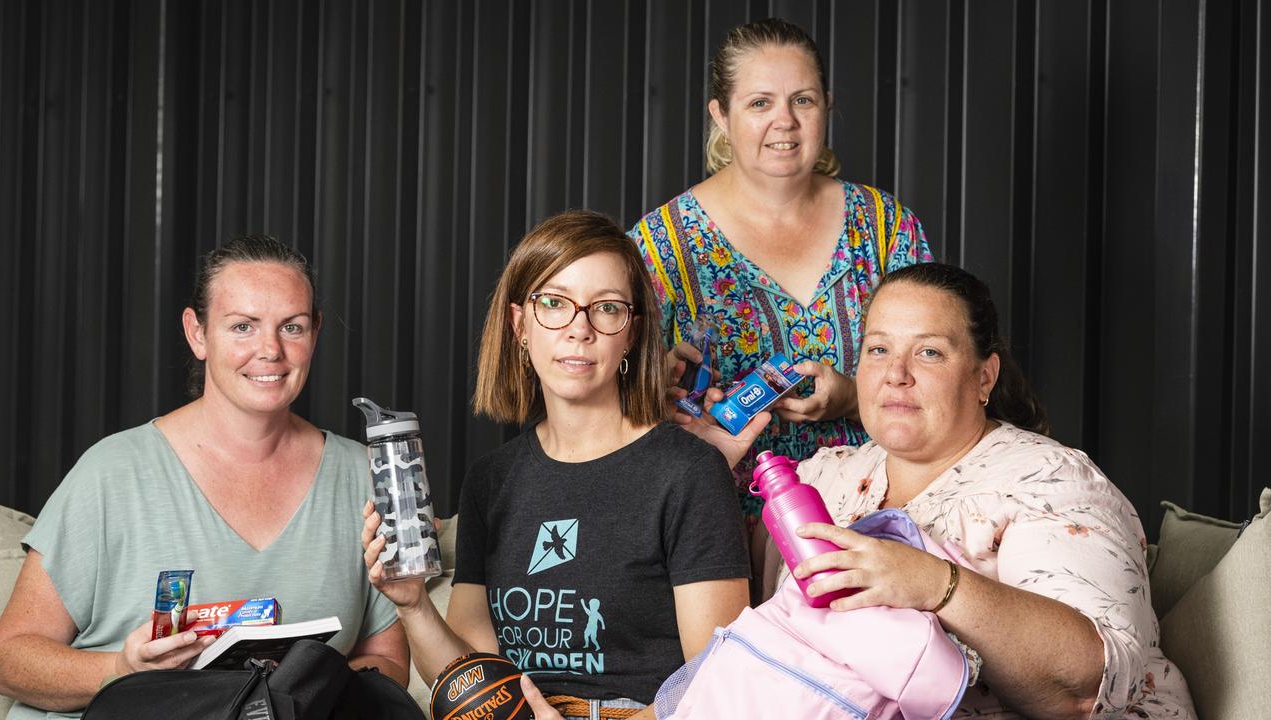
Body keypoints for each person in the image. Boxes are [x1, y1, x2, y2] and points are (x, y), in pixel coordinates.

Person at [719, 262, 1193, 718]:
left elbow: (1084, 693)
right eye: (878, 350)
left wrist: (936, 586)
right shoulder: (824, 478)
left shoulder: (1047, 479)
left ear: (984, 376)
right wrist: (706, 461)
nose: (896, 373)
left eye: (929, 352)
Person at [0, 237, 409, 718]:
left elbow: (387, 660)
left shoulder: (362, 473)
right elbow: (9, 660)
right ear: (197, 333)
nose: (270, 350)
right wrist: (123, 670)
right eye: (242, 327)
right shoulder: (113, 472)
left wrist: (302, 693)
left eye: (291, 327)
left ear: (314, 333)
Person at [361, 211, 751, 720]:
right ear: (520, 324)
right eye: (554, 304)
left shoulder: (688, 472)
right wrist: (411, 602)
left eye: (606, 309)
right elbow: (472, 682)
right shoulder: (491, 480)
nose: (579, 330)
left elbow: (717, 682)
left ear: (630, 333)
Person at [630, 17, 933, 522]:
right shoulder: (659, 247)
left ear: (827, 107)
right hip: (711, 525)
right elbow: (600, 395)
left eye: (803, 100)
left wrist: (856, 399)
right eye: (759, 103)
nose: (785, 121)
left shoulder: (884, 227)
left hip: (881, 516)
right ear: (721, 116)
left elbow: (941, 375)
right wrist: (650, 389)